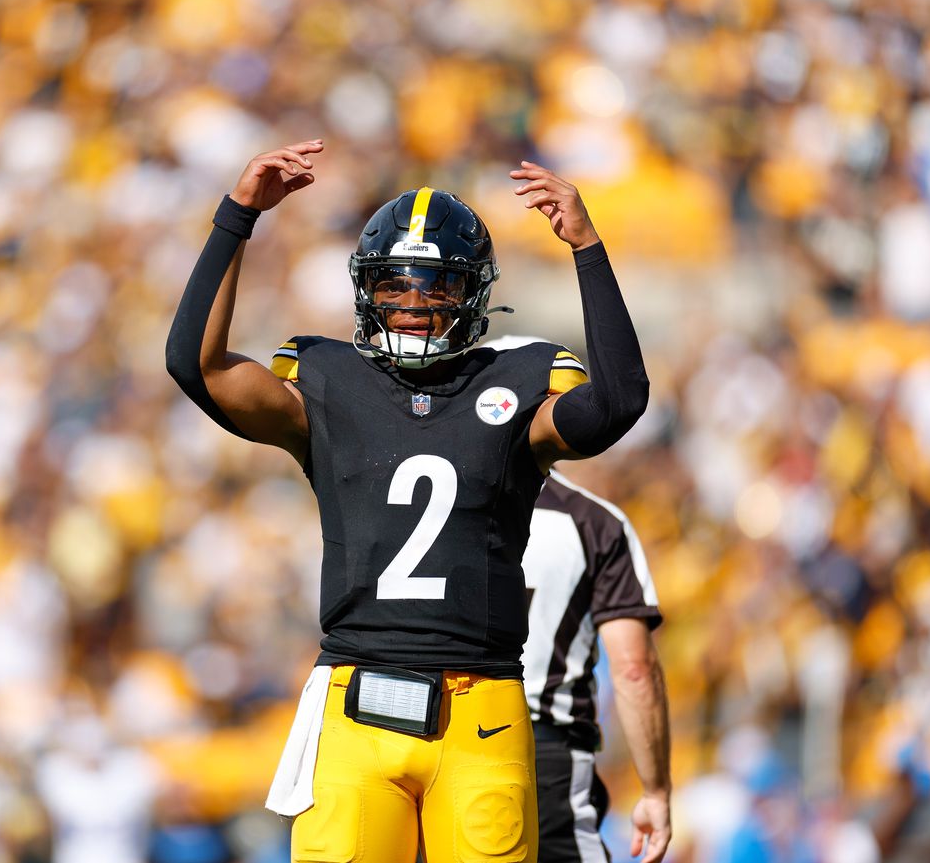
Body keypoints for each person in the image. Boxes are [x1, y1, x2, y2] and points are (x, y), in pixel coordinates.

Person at [165, 139, 649, 863]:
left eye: (437, 287)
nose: (415, 306)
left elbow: (617, 402)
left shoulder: (516, 381)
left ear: (474, 293)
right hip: (356, 698)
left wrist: (586, 245)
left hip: (480, 705)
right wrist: (238, 214)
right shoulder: (326, 382)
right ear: (367, 289)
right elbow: (194, 364)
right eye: (395, 285)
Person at [489, 437, 670, 863]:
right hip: (543, 750)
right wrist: (656, 790)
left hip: (438, 736)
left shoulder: (432, 504)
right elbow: (635, 670)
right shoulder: (592, 522)